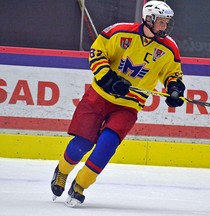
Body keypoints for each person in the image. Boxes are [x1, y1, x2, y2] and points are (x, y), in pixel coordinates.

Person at [51, 0, 185, 207]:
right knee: (83, 143)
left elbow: (173, 74)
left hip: (129, 104)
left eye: (166, 23)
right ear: (148, 19)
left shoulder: (169, 48)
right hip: (99, 96)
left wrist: (175, 88)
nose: (164, 27)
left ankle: (80, 185)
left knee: (108, 144)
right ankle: (62, 171)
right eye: (160, 22)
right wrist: (108, 79)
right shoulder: (119, 33)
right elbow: (96, 53)